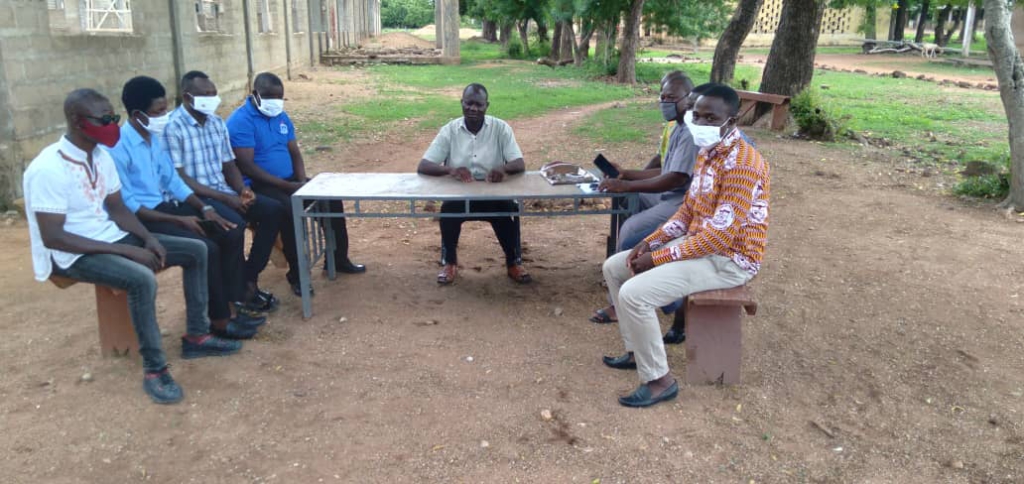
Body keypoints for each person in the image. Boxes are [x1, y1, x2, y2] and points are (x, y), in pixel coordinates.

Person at [23, 89, 242, 404]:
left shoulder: (100, 156)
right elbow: (54, 237)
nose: (112, 124)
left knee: (198, 250)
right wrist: (128, 250)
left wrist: (149, 239)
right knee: (141, 279)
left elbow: (118, 209)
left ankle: (197, 335)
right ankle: (155, 369)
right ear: (76, 121)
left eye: (114, 118)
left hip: (111, 236)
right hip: (72, 254)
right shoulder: (48, 168)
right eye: (104, 119)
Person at [599, 84, 770, 408]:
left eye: (711, 117)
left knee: (635, 294)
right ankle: (638, 352)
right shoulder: (708, 152)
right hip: (698, 245)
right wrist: (650, 242)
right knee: (615, 267)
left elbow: (720, 237)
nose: (700, 122)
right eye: (697, 115)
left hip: (729, 258)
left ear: (731, 120)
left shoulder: (742, 163)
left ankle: (660, 381)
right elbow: (688, 210)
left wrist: (658, 257)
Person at [109, 76, 267, 339]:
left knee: (228, 230)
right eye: (158, 112)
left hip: (167, 206)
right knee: (207, 247)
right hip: (142, 218)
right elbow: (131, 206)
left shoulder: (153, 138)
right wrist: (181, 221)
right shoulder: (118, 149)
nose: (165, 116)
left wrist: (204, 209)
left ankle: (231, 304)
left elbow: (172, 180)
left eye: (165, 109)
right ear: (137, 114)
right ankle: (218, 321)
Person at [227, 72, 365, 294]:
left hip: (290, 181)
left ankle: (338, 259)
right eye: (270, 96)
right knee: (290, 210)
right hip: (261, 184)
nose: (275, 101)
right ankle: (297, 275)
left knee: (331, 200)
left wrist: (301, 181)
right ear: (255, 94)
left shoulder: (281, 116)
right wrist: (288, 187)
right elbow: (246, 165)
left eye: (279, 96)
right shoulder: (241, 121)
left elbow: (295, 152)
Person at [163, 71, 286, 304]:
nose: (212, 98)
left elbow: (229, 165)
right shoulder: (173, 127)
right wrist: (226, 198)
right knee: (234, 225)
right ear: (187, 98)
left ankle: (248, 278)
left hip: (222, 193)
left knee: (273, 210)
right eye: (205, 94)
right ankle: (235, 295)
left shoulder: (216, 123)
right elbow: (178, 178)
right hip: (192, 198)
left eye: (214, 93)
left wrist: (241, 190)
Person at [589, 74, 699, 326]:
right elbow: (663, 170)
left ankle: (623, 301)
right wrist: (625, 174)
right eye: (662, 96)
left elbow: (674, 178)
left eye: (672, 97)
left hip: (682, 201)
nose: (665, 102)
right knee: (631, 198)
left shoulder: (692, 131)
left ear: (688, 99)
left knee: (631, 230)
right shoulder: (676, 127)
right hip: (669, 193)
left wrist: (626, 183)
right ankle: (635, 275)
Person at [417, 83, 530, 285]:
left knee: (506, 213)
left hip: (493, 194)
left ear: (487, 105)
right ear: (462, 103)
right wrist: (451, 170)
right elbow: (424, 165)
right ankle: (450, 263)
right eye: (469, 103)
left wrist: (502, 169)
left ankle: (513, 263)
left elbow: (519, 163)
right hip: (460, 195)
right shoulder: (450, 130)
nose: (473, 109)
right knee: (448, 213)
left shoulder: (501, 128)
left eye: (479, 105)